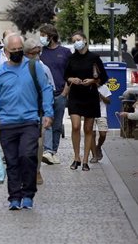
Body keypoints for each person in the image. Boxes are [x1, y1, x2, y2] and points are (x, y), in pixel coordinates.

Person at [0, 34, 53, 210]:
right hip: (8, 123)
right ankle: (14, 198)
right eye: (13, 50)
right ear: (6, 51)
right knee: (12, 161)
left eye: (19, 50)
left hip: (30, 121)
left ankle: (28, 194)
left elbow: (46, 89)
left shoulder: (33, 67)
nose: (17, 53)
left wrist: (48, 113)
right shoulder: (0, 72)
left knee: (27, 156)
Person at [65, 31, 108, 171]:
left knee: (88, 128)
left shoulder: (94, 58)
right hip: (75, 96)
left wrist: (93, 80)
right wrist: (72, 79)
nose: (76, 42)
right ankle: (76, 157)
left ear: (84, 40)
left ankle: (84, 160)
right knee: (76, 126)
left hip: (90, 95)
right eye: (74, 40)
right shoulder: (71, 58)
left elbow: (104, 78)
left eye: (78, 39)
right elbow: (66, 76)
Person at [23, 36, 56, 186]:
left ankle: (36, 171)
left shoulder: (44, 69)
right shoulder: (17, 69)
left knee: (38, 143)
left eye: (38, 52)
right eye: (32, 53)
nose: (36, 56)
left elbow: (50, 90)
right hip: (21, 112)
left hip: (38, 113)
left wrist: (48, 112)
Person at [38, 23, 72, 165]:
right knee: (47, 123)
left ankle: (53, 151)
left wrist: (65, 92)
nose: (41, 38)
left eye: (43, 35)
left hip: (60, 93)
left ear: (51, 37)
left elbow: (70, 73)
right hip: (45, 94)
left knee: (57, 124)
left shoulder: (65, 52)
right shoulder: (40, 52)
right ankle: (48, 151)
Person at [90, 84, 111, 163]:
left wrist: (101, 96)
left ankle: (98, 147)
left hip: (102, 113)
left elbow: (109, 101)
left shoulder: (104, 87)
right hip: (90, 113)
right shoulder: (89, 86)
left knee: (103, 134)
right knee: (92, 134)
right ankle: (94, 156)